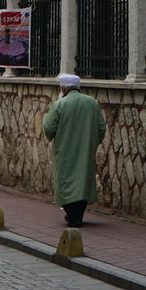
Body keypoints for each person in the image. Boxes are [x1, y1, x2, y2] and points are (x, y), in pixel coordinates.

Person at [41, 73, 105, 227]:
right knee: (83, 180)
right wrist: (92, 143)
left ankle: (72, 215)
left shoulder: (60, 104)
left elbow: (48, 128)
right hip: (86, 150)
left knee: (66, 180)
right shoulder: (92, 103)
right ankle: (77, 215)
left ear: (63, 89)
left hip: (65, 150)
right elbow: (101, 128)